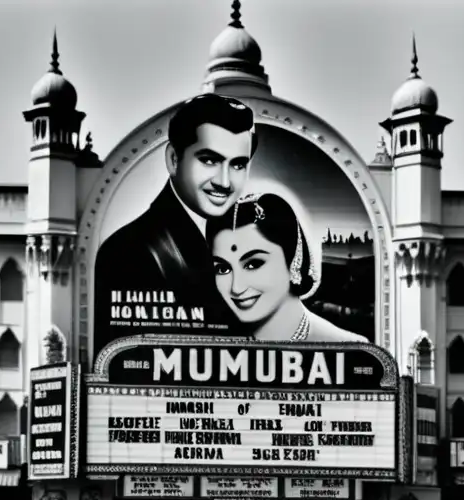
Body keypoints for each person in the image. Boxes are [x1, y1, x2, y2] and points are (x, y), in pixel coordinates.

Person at [92, 94, 256, 351]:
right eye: (209, 160)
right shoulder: (127, 252)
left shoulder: (245, 235)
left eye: (237, 165)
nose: (224, 182)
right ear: (173, 159)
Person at [207, 193, 366, 342]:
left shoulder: (350, 350)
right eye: (223, 269)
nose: (236, 287)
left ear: (293, 261)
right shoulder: (210, 351)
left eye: (253, 264)